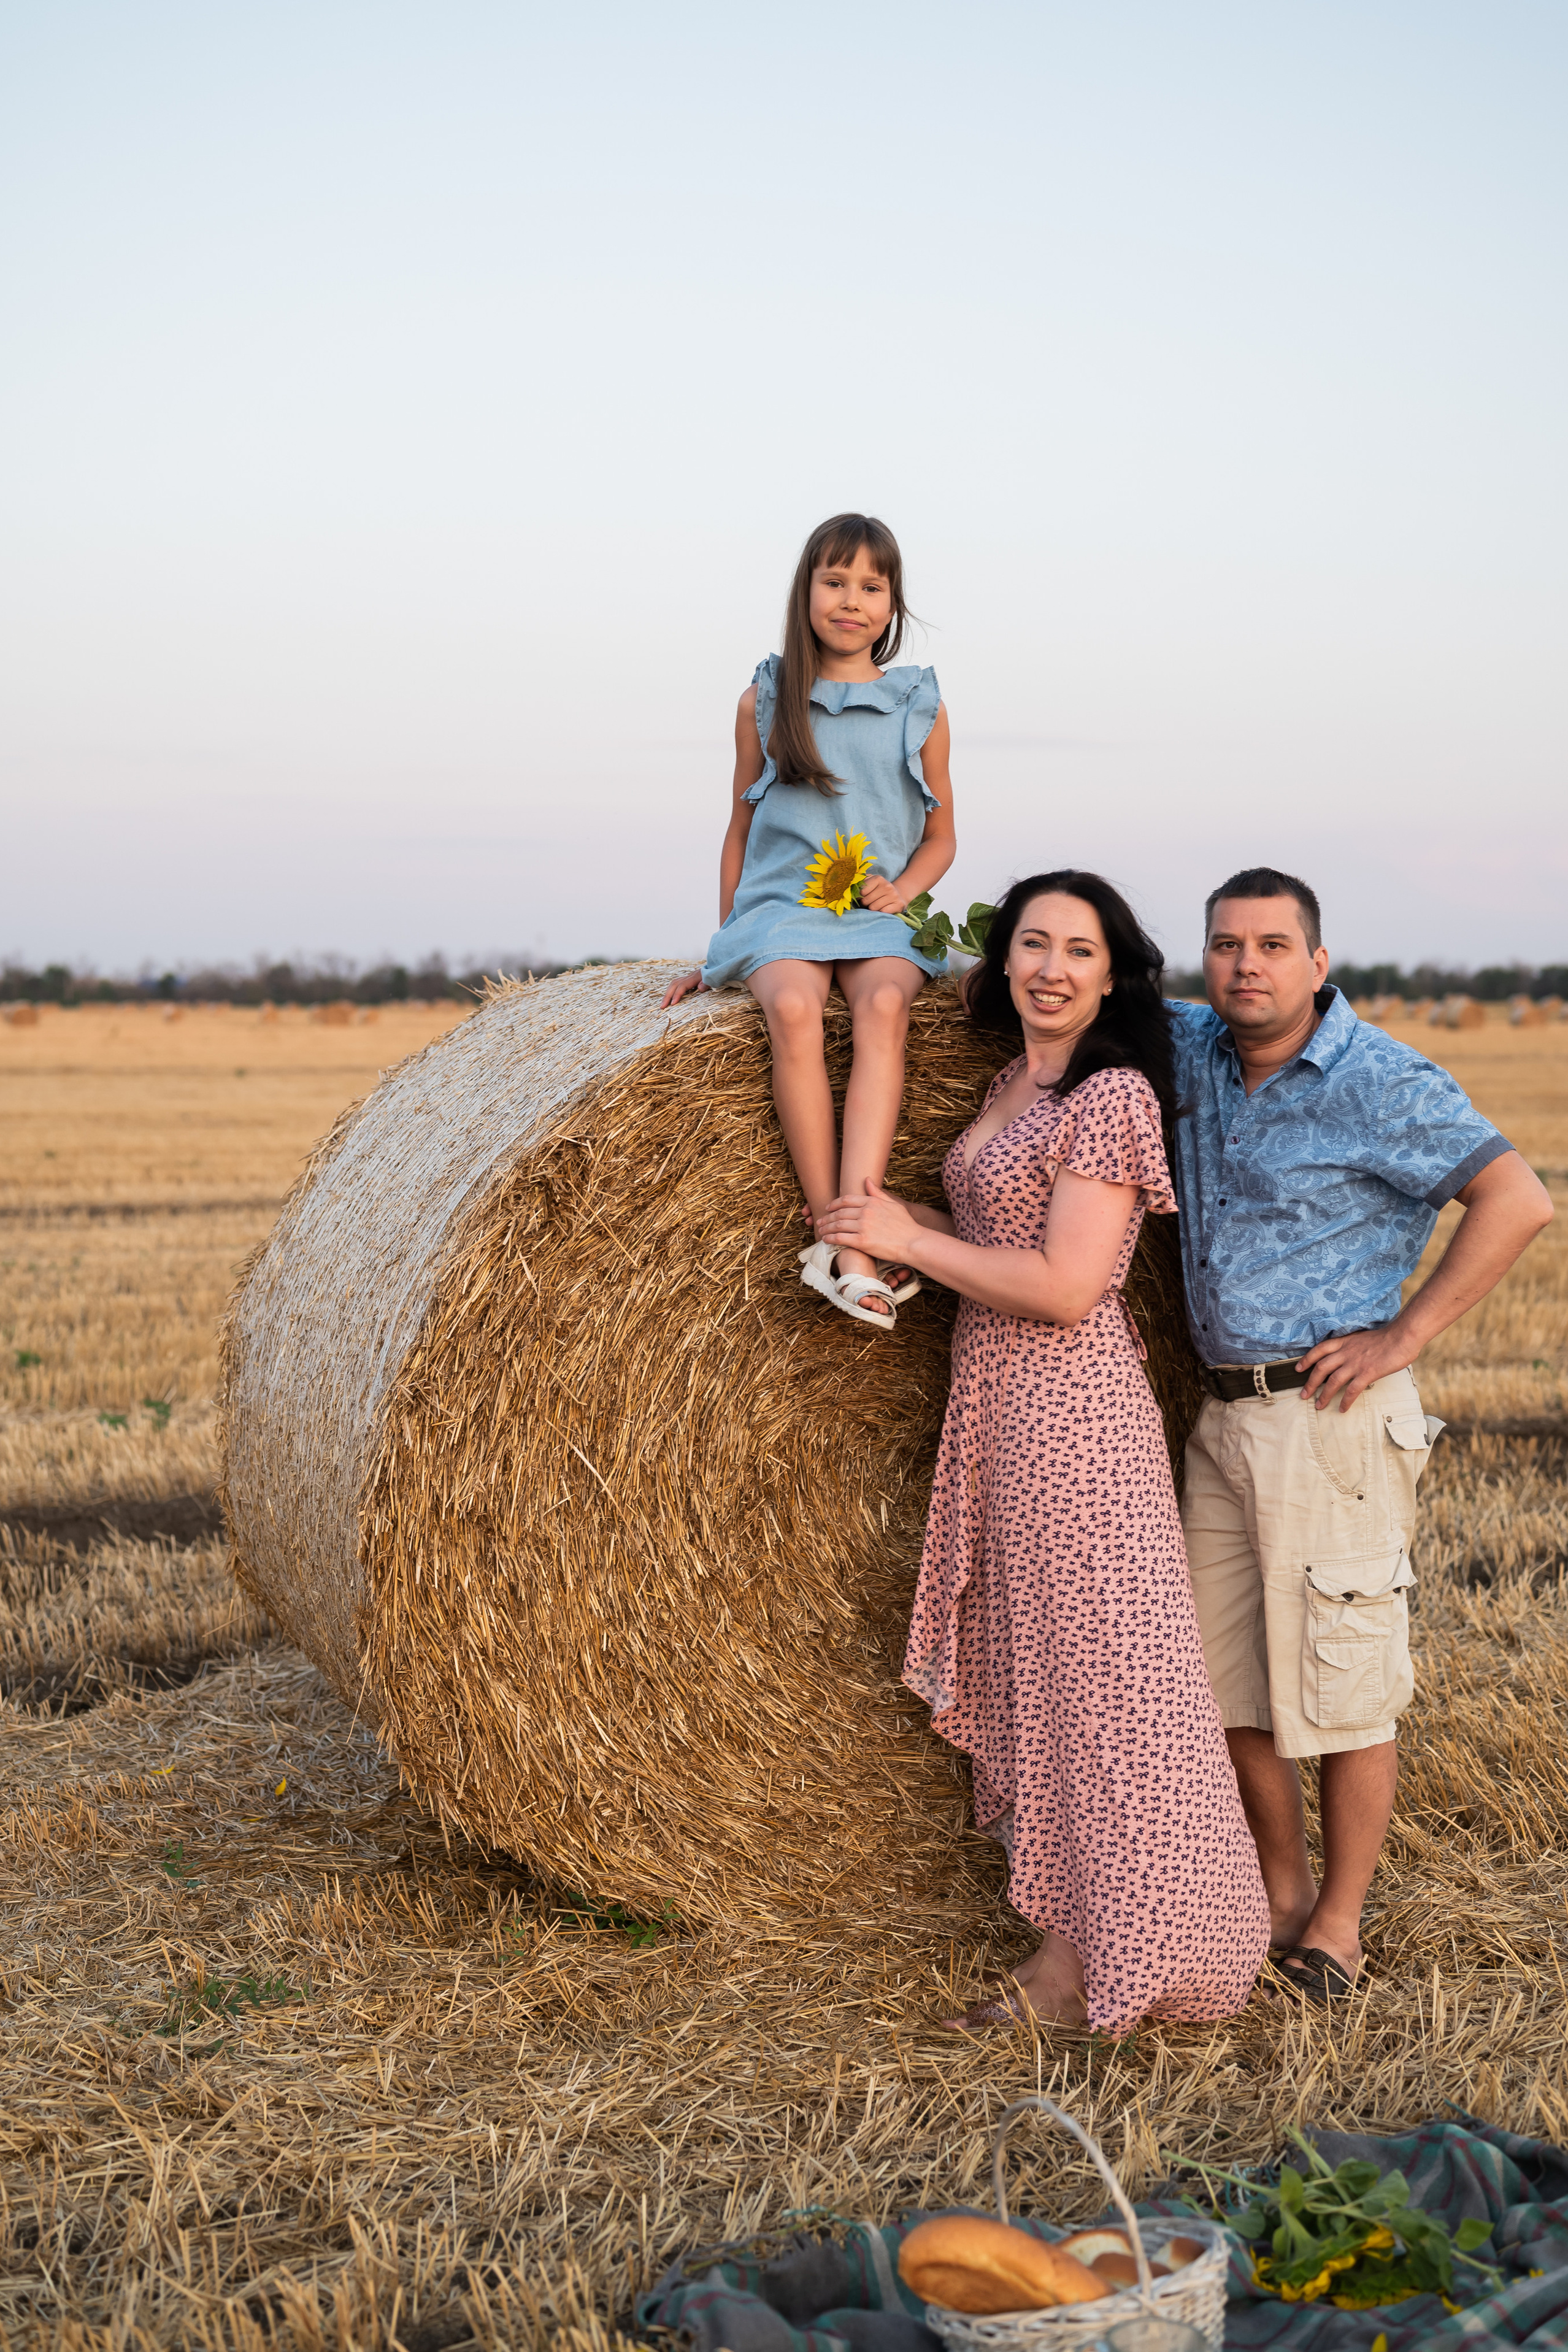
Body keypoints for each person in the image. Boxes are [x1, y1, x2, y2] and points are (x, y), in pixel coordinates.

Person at [818, 872, 1272, 2034]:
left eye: (1078, 949)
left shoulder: (1110, 1094)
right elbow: (1000, 1240)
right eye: (1032, 943)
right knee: (1050, 1682)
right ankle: (1072, 1947)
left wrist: (911, 1234)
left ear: (1113, 976)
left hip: (1075, 1416)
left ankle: (1155, 1953)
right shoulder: (1013, 1082)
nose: (1051, 968)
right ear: (1003, 958)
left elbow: (1068, 1285)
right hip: (1003, 1407)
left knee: (1111, 1686)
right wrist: (903, 1243)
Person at [1170, 867, 1553, 2006]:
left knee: (1344, 1685)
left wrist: (1405, 1334)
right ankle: (1283, 1895)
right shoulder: (1192, 1051)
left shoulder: (1380, 1078)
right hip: (1218, 1415)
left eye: (1272, 945)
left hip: (1327, 1419)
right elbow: (1060, 989)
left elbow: (1519, 1198)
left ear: (1318, 961)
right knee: (1227, 1683)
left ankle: (1339, 1925)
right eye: (1227, 945)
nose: (1247, 964)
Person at [660, 515, 955, 1328]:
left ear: (892, 603)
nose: (851, 600)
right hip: (780, 909)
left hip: (873, 912)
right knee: (793, 1007)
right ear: (807, 591)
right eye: (835, 581)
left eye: (871, 586)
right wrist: (724, 946)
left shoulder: (919, 707)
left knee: (885, 1004)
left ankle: (852, 1229)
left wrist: (905, 889)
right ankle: (841, 1234)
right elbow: (739, 829)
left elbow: (942, 837)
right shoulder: (765, 701)